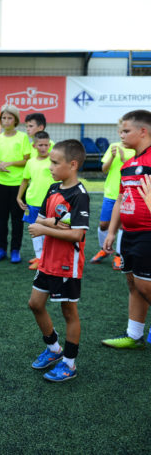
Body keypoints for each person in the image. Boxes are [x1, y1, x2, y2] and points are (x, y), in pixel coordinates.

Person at [27, 139, 89, 382]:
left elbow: (77, 234)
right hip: (48, 260)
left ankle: (69, 365)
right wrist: (55, 223)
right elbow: (41, 218)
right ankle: (54, 350)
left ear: (72, 165)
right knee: (35, 304)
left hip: (67, 264)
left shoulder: (79, 195)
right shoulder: (53, 189)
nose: (50, 167)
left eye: (55, 162)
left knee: (68, 311)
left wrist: (47, 228)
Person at [102, 110, 151, 349]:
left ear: (143, 131)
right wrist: (112, 232)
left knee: (144, 285)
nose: (121, 135)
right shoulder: (128, 164)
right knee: (133, 283)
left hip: (148, 234)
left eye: (126, 131)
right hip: (128, 234)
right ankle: (134, 335)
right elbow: (120, 200)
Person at [0, 104, 31, 263]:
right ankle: (1, 249)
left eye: (9, 118)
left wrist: (10, 163)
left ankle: (15, 250)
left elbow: (27, 159)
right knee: (0, 219)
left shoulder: (22, 138)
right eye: (4, 118)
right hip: (1, 185)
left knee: (17, 220)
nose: (6, 121)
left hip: (18, 186)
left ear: (16, 120)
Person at [90, 130, 134, 271]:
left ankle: (118, 255)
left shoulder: (136, 149)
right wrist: (112, 157)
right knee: (104, 225)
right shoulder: (113, 146)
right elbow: (103, 169)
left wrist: (123, 160)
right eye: (121, 131)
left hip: (128, 194)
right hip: (110, 193)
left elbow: (135, 170)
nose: (122, 135)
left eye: (126, 132)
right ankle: (104, 249)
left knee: (122, 226)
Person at [16, 131, 54, 270]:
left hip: (49, 203)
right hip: (33, 201)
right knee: (34, 229)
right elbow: (25, 180)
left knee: (47, 230)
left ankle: (45, 257)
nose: (43, 148)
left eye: (46, 145)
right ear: (34, 146)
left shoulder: (54, 161)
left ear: (49, 145)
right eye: (40, 145)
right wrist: (19, 197)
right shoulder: (30, 162)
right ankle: (39, 256)